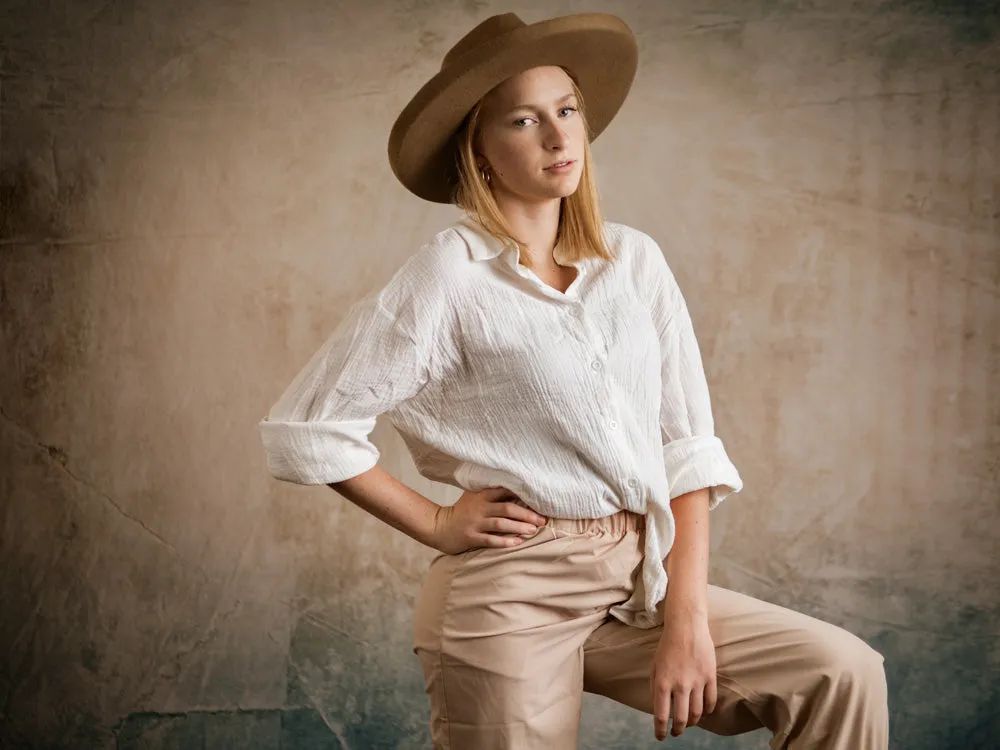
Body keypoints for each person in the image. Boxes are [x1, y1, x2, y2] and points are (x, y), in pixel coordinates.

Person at [259, 12, 890, 750]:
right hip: (509, 596)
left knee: (841, 673)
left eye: (567, 111)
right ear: (480, 149)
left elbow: (685, 446)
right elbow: (306, 430)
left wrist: (685, 619)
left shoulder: (635, 261)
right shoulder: (449, 276)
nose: (560, 139)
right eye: (525, 121)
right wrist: (434, 522)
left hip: (637, 578)